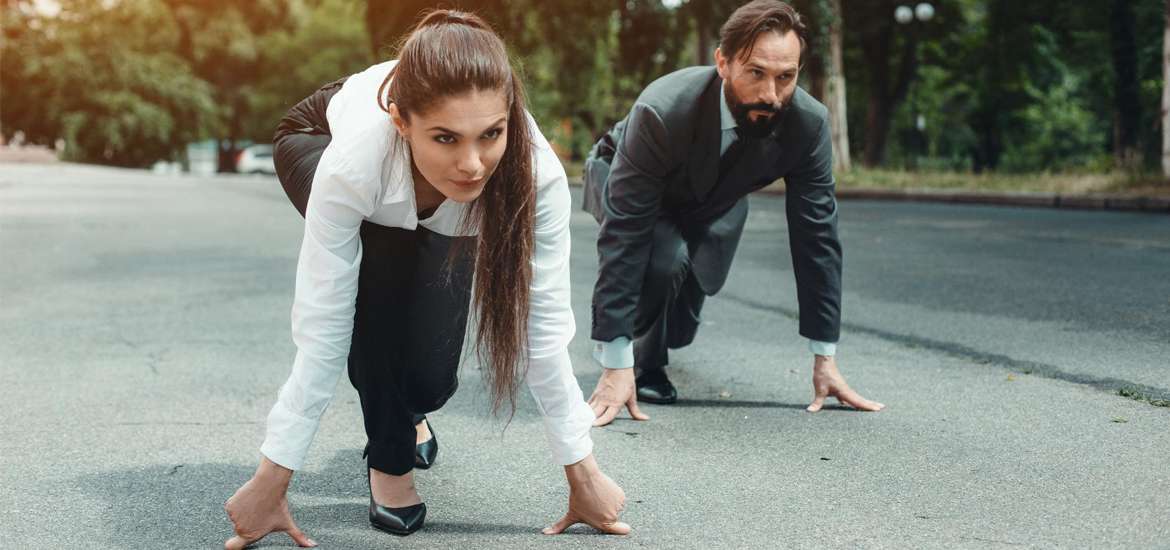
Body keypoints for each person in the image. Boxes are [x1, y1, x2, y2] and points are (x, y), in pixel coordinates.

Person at [223, 10, 628, 549]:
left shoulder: (535, 174)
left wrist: (584, 474)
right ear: (403, 124)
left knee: (430, 381)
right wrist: (273, 478)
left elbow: (544, 331)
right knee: (380, 270)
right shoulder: (352, 168)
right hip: (315, 135)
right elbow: (324, 329)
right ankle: (390, 464)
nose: (473, 164)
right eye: (446, 139)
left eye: (491, 134)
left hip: (408, 170)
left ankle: (410, 414)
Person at [582, 0, 883, 423]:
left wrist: (825, 356)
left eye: (786, 77)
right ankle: (640, 364)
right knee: (662, 259)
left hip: (714, 196)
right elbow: (625, 236)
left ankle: (655, 342)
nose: (771, 94)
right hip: (623, 175)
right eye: (756, 73)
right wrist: (615, 362)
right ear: (722, 62)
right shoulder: (663, 110)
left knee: (682, 317)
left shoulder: (808, 124)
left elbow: (818, 239)